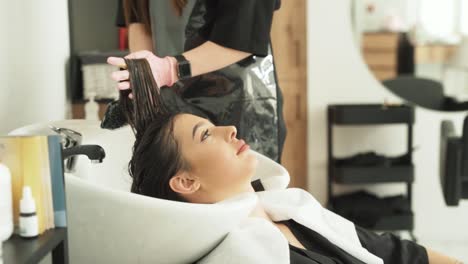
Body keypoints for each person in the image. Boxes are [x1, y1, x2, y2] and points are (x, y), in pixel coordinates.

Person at [117, 58, 462, 264]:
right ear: (186, 182)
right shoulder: (240, 256)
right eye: (206, 135)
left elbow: (397, 254)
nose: (231, 129)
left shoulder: (293, 210)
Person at [107, 0, 287, 163]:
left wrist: (168, 69)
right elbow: (137, 18)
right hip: (170, 104)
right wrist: (145, 78)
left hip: (239, 107)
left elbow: (243, 36)